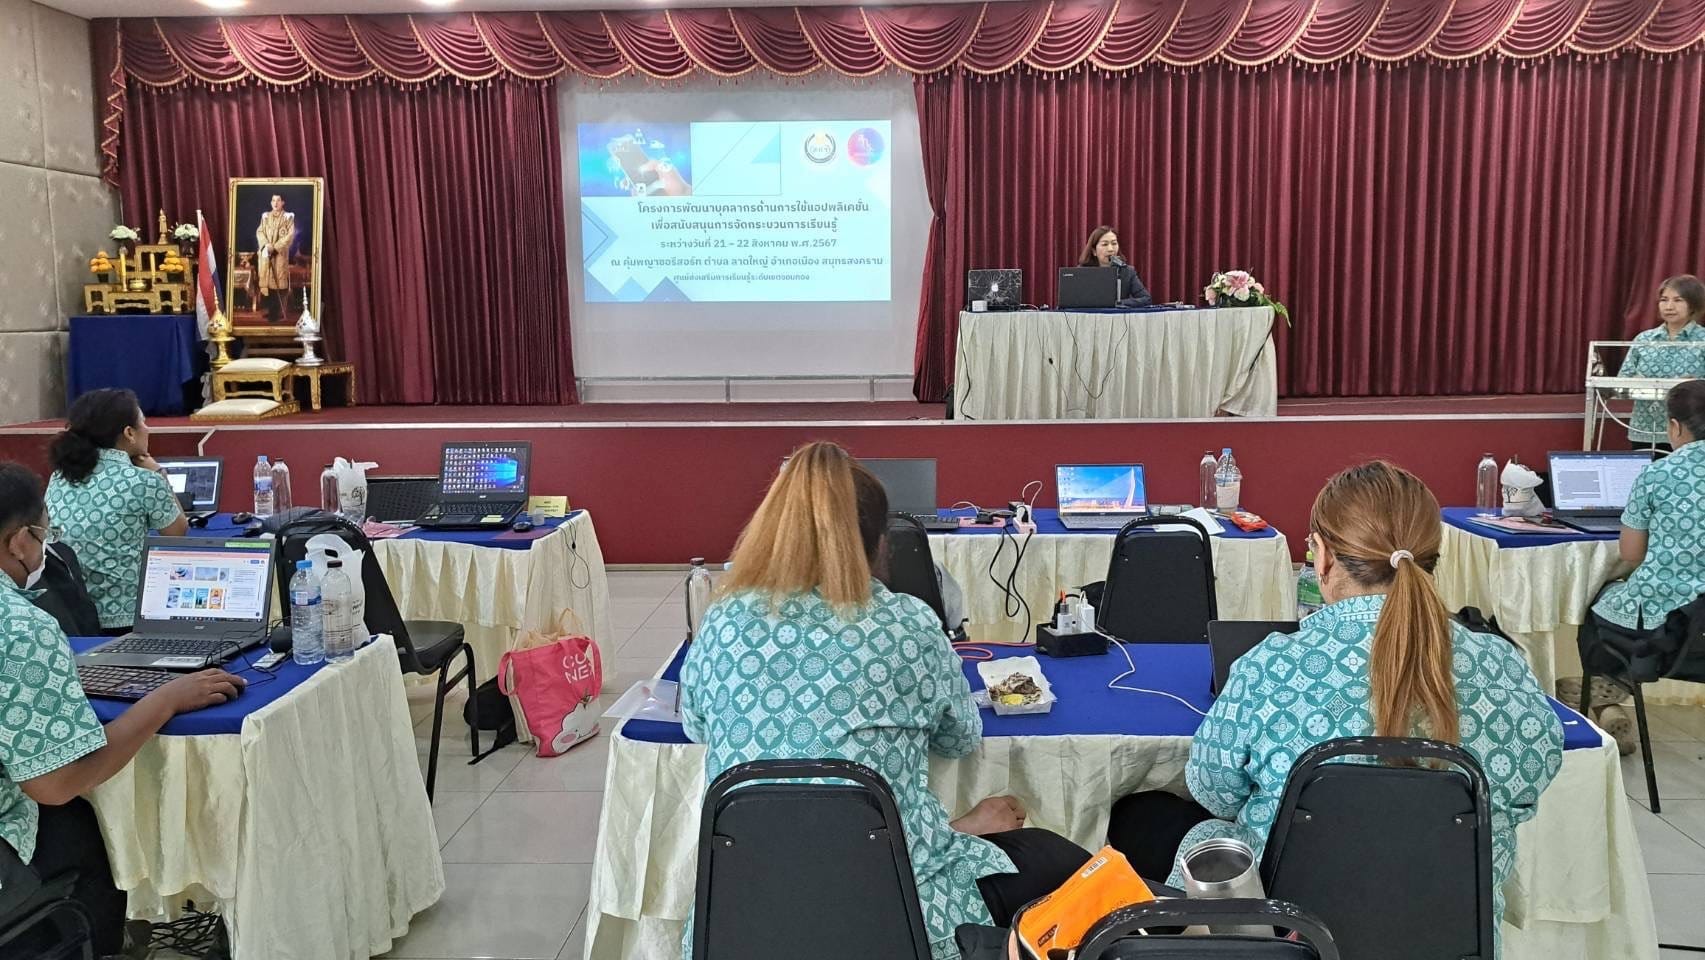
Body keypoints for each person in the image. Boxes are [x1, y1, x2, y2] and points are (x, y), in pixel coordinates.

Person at [1105, 461, 1562, 936]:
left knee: (1144, 817)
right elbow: (1527, 788)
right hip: (1450, 930)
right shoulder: (1503, 665)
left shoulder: (1270, 667)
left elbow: (1213, 789)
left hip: (1290, 934)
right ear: (1432, 558)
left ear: (1321, 557)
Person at [678, 442, 1090, 959]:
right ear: (876, 542)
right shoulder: (908, 623)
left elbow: (696, 724)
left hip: (739, 913)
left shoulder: (723, 618)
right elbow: (960, 737)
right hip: (902, 911)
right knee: (1062, 860)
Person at [0, 462, 243, 956]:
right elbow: (56, 783)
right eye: (44, 535)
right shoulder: (22, 628)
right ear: (20, 542)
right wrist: (165, 699)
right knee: (98, 830)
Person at [46, 389, 187, 633]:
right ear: (129, 433)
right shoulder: (144, 480)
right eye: (143, 422)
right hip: (129, 621)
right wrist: (158, 472)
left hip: (73, 616)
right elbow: (177, 532)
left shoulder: (59, 477)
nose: (148, 429)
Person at [1587, 379, 1705, 645]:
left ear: (1675, 427)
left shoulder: (1657, 474)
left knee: (1597, 600)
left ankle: (1620, 673)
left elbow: (1631, 554)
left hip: (1668, 616)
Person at [1619, 275, 1705, 449]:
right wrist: (1635, 381)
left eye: (1678, 300)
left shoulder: (1702, 340)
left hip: (1691, 432)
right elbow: (1622, 380)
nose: (1669, 306)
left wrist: (1694, 384)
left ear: (1693, 304)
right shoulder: (1644, 339)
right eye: (1664, 300)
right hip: (1644, 428)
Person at [1077, 226, 1152, 307]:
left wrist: (1118, 303)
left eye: (1114, 243)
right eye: (1105, 244)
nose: (1111, 249)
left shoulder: (1127, 271)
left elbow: (1146, 299)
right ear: (1094, 251)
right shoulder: (1081, 272)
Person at [256, 193, 297, 322]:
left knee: (278, 283)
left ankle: (277, 312)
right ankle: (270, 311)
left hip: (279, 255)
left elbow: (290, 235)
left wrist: (275, 247)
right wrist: (266, 245)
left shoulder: (288, 217)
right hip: (267, 254)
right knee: (268, 283)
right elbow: (260, 232)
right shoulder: (265, 217)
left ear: (283, 202)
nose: (275, 203)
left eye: (278, 200)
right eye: (273, 200)